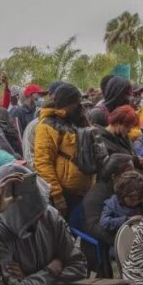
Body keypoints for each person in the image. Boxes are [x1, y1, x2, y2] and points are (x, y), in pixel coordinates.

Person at [35, 82, 92, 216]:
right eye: (76, 103)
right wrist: (57, 195)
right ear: (67, 103)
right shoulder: (47, 125)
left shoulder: (77, 120)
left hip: (83, 191)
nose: (80, 106)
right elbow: (43, 163)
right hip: (65, 194)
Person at [81, 154, 135, 276]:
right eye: (128, 173)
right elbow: (94, 227)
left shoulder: (124, 189)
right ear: (114, 176)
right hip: (100, 244)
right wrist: (123, 238)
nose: (133, 176)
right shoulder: (95, 197)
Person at [22, 81, 63, 169]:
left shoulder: (72, 122)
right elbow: (29, 158)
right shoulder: (34, 125)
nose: (40, 97)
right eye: (38, 94)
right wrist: (48, 177)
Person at [99, 170, 143, 237]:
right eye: (132, 200)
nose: (136, 202)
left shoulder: (142, 203)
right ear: (122, 195)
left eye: (139, 199)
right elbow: (104, 222)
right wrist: (128, 220)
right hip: (121, 239)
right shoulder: (112, 203)